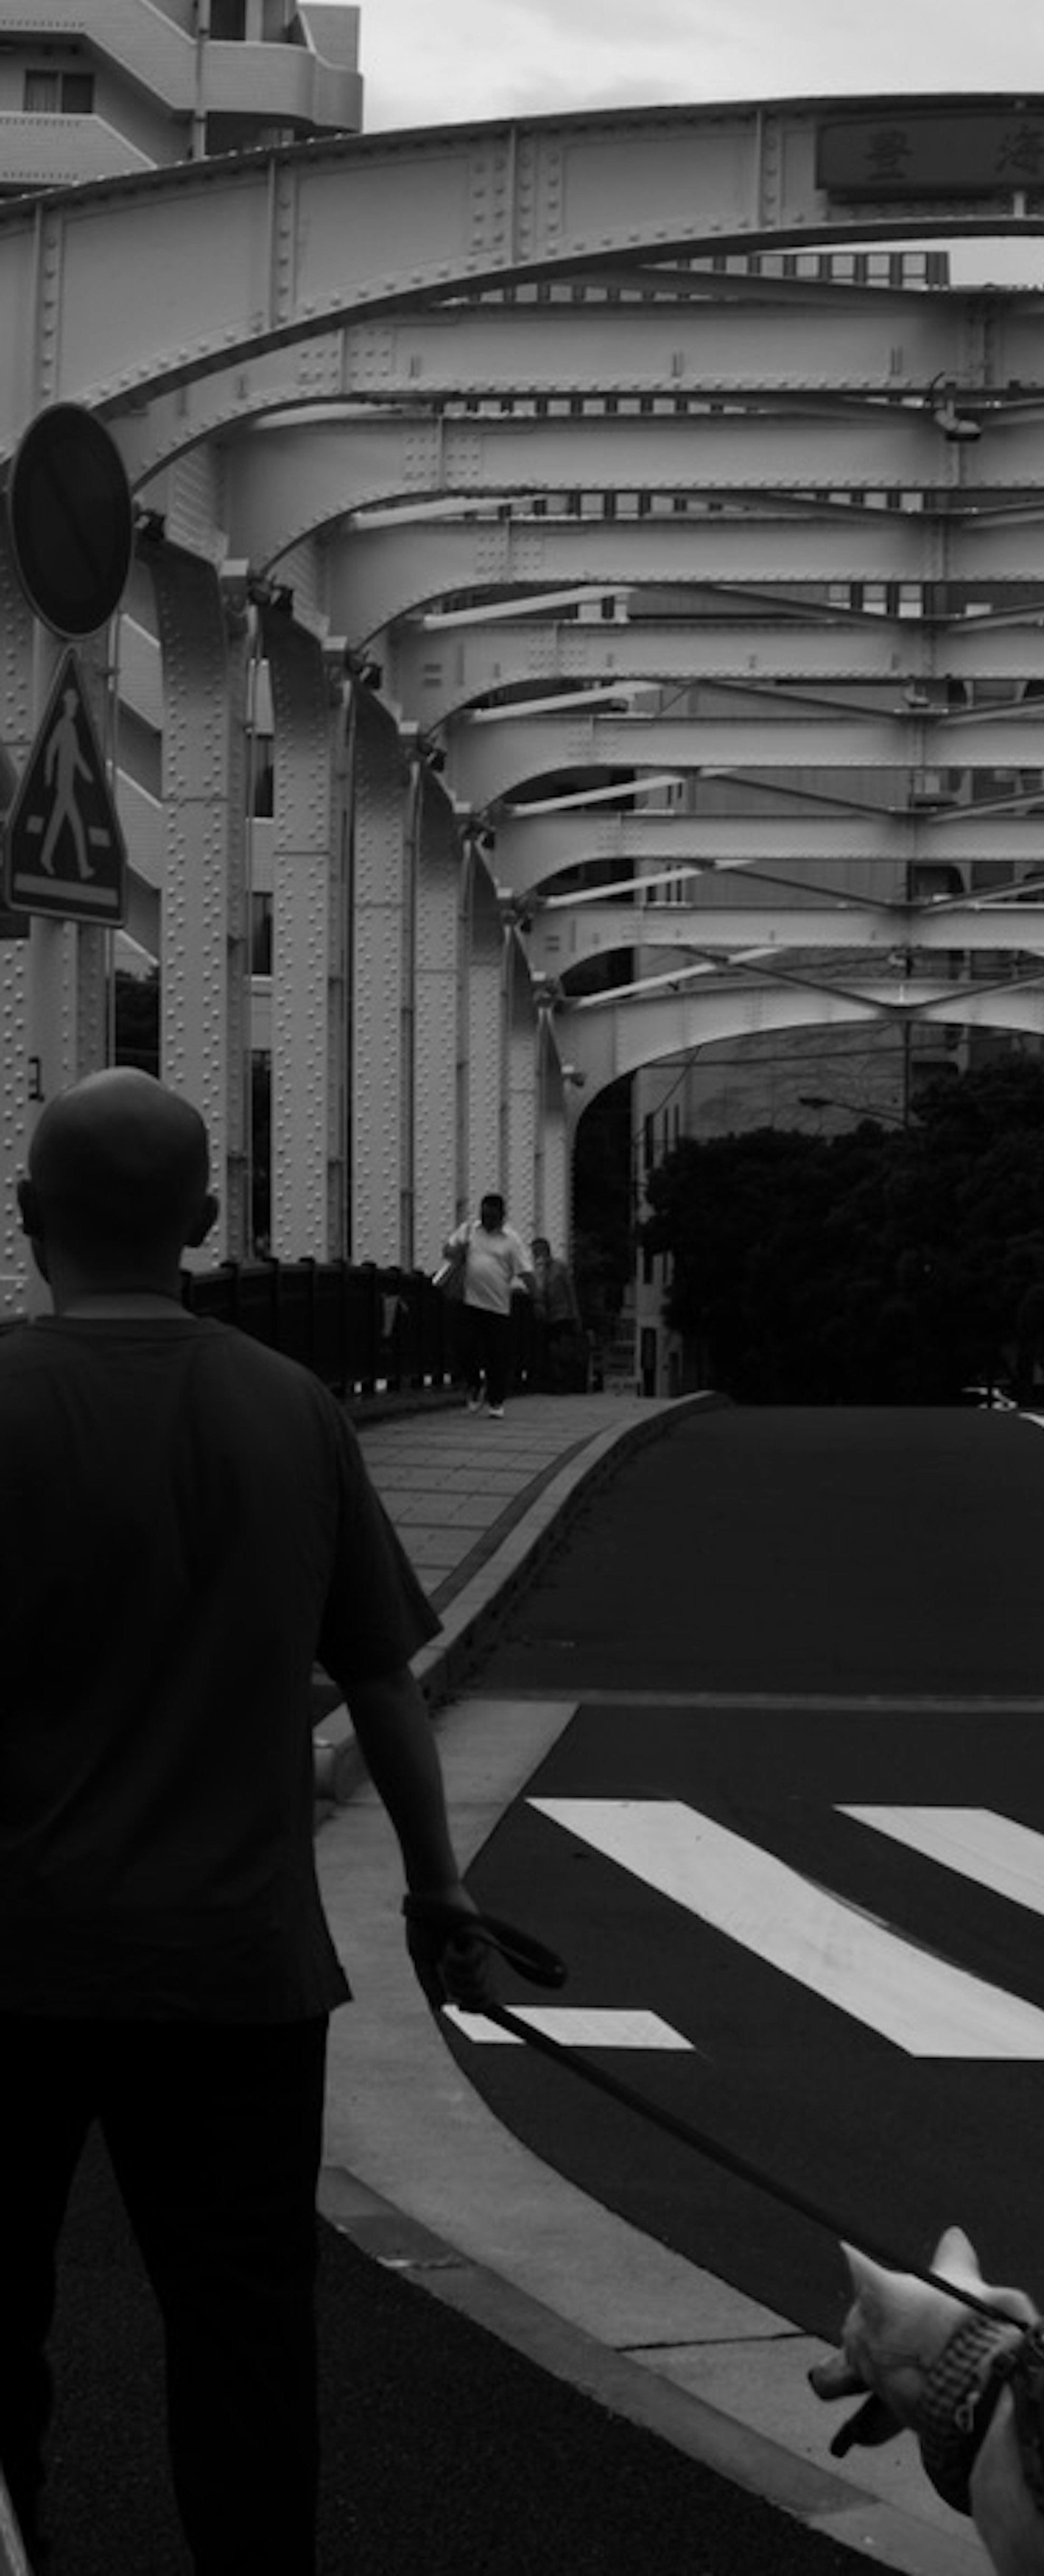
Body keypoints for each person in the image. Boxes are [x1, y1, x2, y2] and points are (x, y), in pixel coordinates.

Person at [0, 1069, 502, 2573]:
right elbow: (385, 1684)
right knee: (244, 2343)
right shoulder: (291, 1411)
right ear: (210, 1224)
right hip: (238, 1970)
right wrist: (440, 1897)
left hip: (10, 1966)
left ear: (28, 1225)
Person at [442, 1189, 532, 1416]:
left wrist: (537, 1297)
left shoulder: (512, 1240)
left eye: (492, 1217)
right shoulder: (469, 1230)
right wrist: (456, 1250)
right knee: (464, 1347)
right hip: (468, 1300)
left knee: (497, 1355)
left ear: (502, 1216)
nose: (487, 1221)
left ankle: (496, 1400)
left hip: (498, 1304)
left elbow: (525, 1270)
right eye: (484, 1216)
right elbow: (448, 1251)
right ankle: (474, 1383)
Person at [526, 1233, 581, 1391]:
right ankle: (553, 1381)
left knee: (560, 1349)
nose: (536, 1255)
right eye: (534, 1252)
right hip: (547, 1316)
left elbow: (570, 1291)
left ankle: (564, 1380)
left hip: (562, 1315)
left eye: (538, 1251)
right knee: (549, 1350)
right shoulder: (538, 1271)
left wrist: (575, 1315)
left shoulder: (560, 1268)